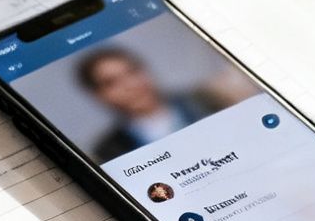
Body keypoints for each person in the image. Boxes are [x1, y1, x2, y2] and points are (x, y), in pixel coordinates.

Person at [77, 47, 231, 161]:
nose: (130, 85)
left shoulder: (208, 100)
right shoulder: (109, 151)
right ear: (98, 95)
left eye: (132, 72)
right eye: (111, 82)